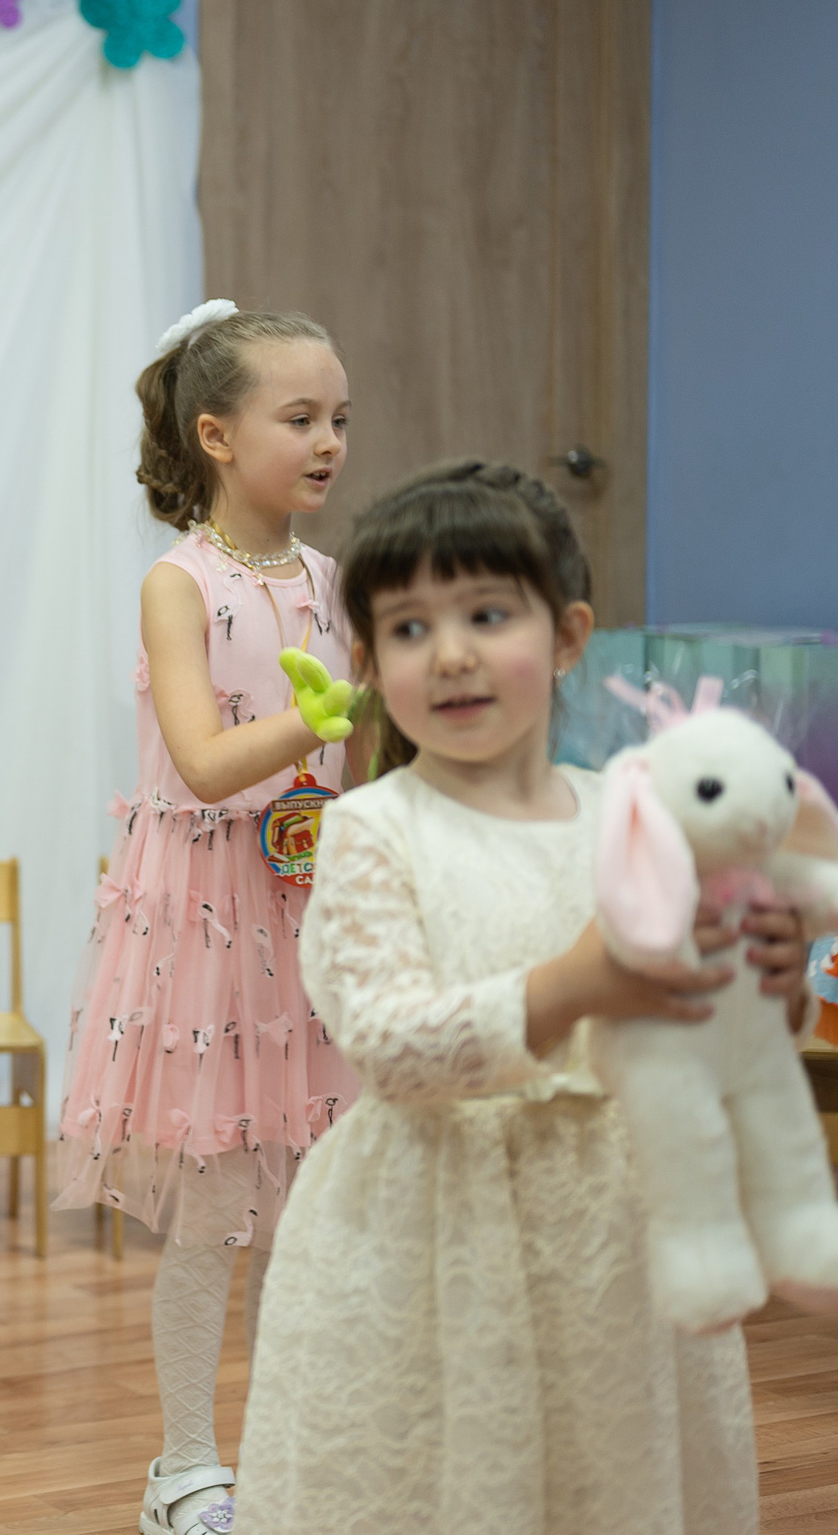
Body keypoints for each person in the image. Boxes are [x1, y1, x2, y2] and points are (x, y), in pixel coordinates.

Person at [240, 463, 804, 1535]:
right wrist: (571, 986)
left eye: (487, 615)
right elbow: (387, 1042)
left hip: (610, 1241)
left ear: (567, 635)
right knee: (446, 1484)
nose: (450, 653)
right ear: (368, 663)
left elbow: (707, 1036)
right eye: (409, 629)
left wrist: (765, 986)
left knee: (608, 1480)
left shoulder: (633, 821)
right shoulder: (371, 830)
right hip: (430, 1237)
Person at [47, 301, 363, 1535]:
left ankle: (293, 1452)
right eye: (301, 417)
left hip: (310, 913)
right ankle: (183, 1465)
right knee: (215, 1206)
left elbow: (351, 763)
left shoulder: (333, 582)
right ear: (218, 435)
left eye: (339, 418)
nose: (328, 441)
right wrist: (313, 722)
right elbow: (201, 761)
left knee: (313, 1206)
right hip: (207, 920)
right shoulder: (176, 584)